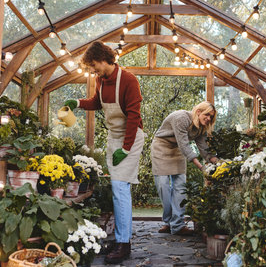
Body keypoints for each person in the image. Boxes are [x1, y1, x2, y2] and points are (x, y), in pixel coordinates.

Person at [64, 41, 144, 264]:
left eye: (93, 65)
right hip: (114, 137)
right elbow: (97, 103)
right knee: (119, 189)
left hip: (131, 137)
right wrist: (78, 103)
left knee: (120, 188)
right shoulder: (101, 80)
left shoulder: (129, 80)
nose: (92, 70)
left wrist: (126, 148)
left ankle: (124, 244)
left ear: (102, 59)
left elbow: (134, 117)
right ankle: (120, 239)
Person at [151, 101, 219, 236]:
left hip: (178, 151)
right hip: (161, 147)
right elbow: (185, 145)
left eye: (211, 117)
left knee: (180, 187)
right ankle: (167, 222)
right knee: (163, 186)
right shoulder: (181, 118)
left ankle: (177, 225)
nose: (209, 119)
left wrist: (218, 162)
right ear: (198, 112)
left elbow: (204, 150)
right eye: (207, 115)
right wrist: (202, 167)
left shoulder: (201, 128)